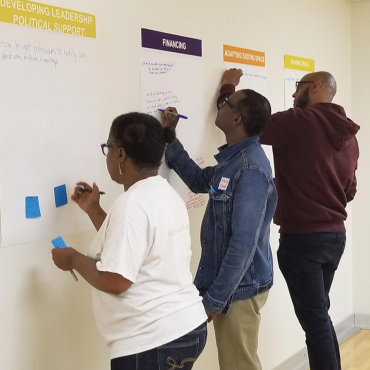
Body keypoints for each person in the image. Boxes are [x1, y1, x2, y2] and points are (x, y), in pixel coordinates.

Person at [219, 69, 360, 370]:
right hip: (335, 238)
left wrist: (228, 88)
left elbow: (243, 121)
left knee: (316, 322)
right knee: (320, 317)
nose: (295, 94)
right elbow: (350, 190)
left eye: (299, 87)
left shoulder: (297, 123)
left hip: (303, 241)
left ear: (317, 86)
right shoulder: (348, 134)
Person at [51, 112, 207, 370]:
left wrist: (72, 258)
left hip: (152, 342)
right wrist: (93, 209)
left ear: (121, 154)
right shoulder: (164, 192)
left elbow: (117, 279)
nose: (108, 156)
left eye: (108, 148)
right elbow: (130, 245)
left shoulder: (131, 205)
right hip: (186, 327)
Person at [162, 89, 277, 370]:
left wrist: (215, 298)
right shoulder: (234, 160)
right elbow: (200, 180)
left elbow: (243, 244)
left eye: (226, 103)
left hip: (238, 289)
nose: (221, 106)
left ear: (236, 118)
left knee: (239, 366)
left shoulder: (250, 170)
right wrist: (170, 139)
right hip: (228, 286)